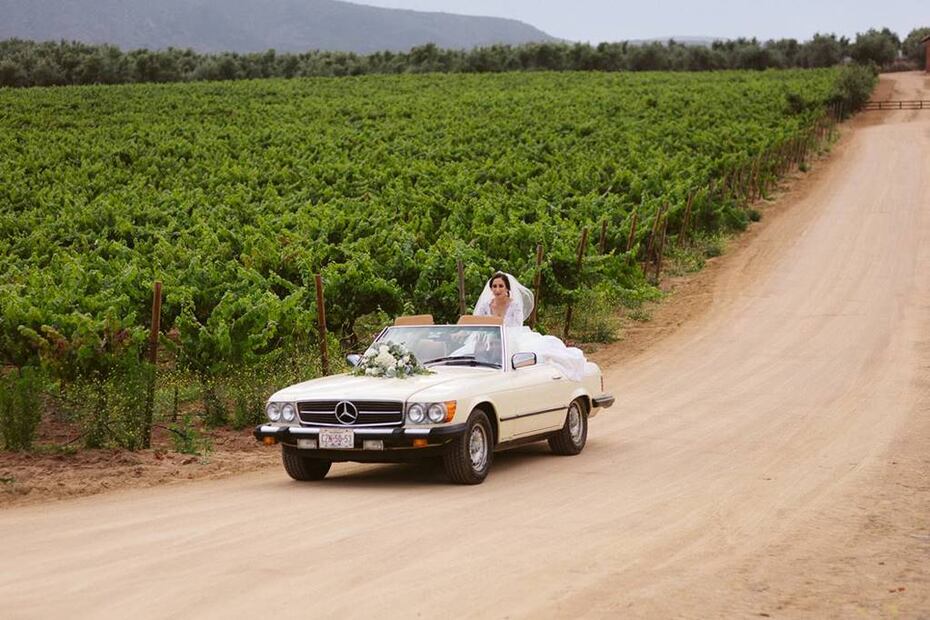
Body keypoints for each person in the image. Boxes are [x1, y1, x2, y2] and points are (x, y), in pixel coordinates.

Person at [473, 271, 588, 381]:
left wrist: (500, 337)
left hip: (510, 337)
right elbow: (478, 323)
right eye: (494, 286)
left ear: (507, 288)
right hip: (489, 338)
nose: (497, 289)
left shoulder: (514, 305)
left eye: (501, 286)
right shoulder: (486, 305)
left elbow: (517, 326)